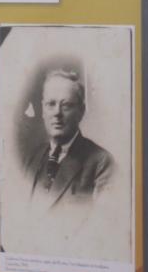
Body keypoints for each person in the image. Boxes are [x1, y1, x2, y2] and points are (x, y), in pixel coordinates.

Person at [24, 68, 113, 205]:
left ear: (81, 111)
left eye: (66, 105)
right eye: (51, 104)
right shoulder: (32, 159)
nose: (57, 113)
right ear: (42, 110)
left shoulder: (102, 163)